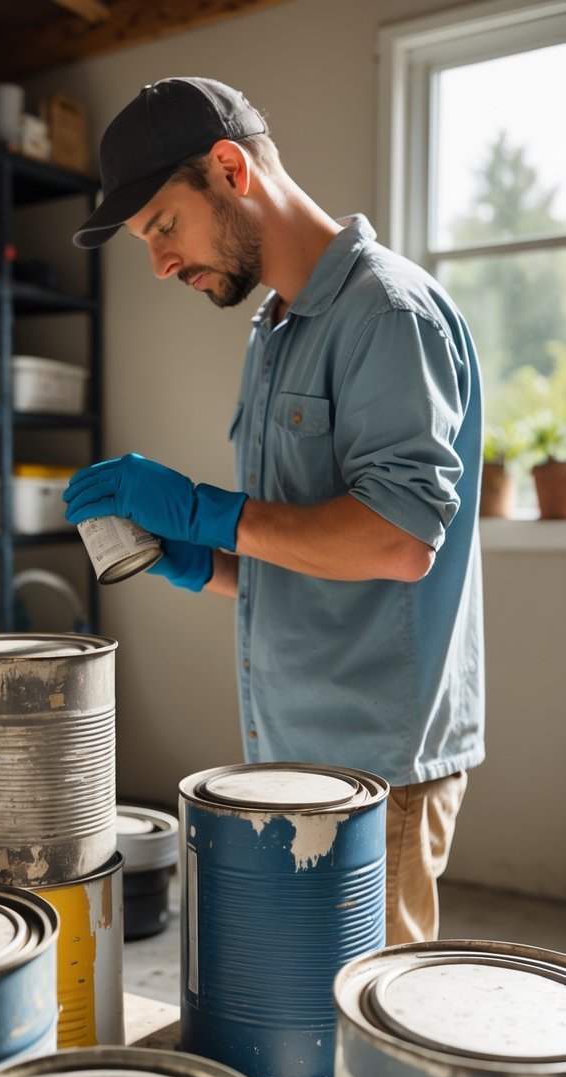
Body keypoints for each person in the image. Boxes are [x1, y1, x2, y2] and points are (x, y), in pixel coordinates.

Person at [63, 77, 485, 945]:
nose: (160, 263)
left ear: (229, 169)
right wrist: (201, 562)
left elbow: (399, 542)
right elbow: (297, 547)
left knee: (374, 1033)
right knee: (298, 1016)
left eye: (165, 228)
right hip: (290, 744)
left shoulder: (387, 314)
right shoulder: (274, 331)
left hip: (378, 764)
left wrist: (208, 510)